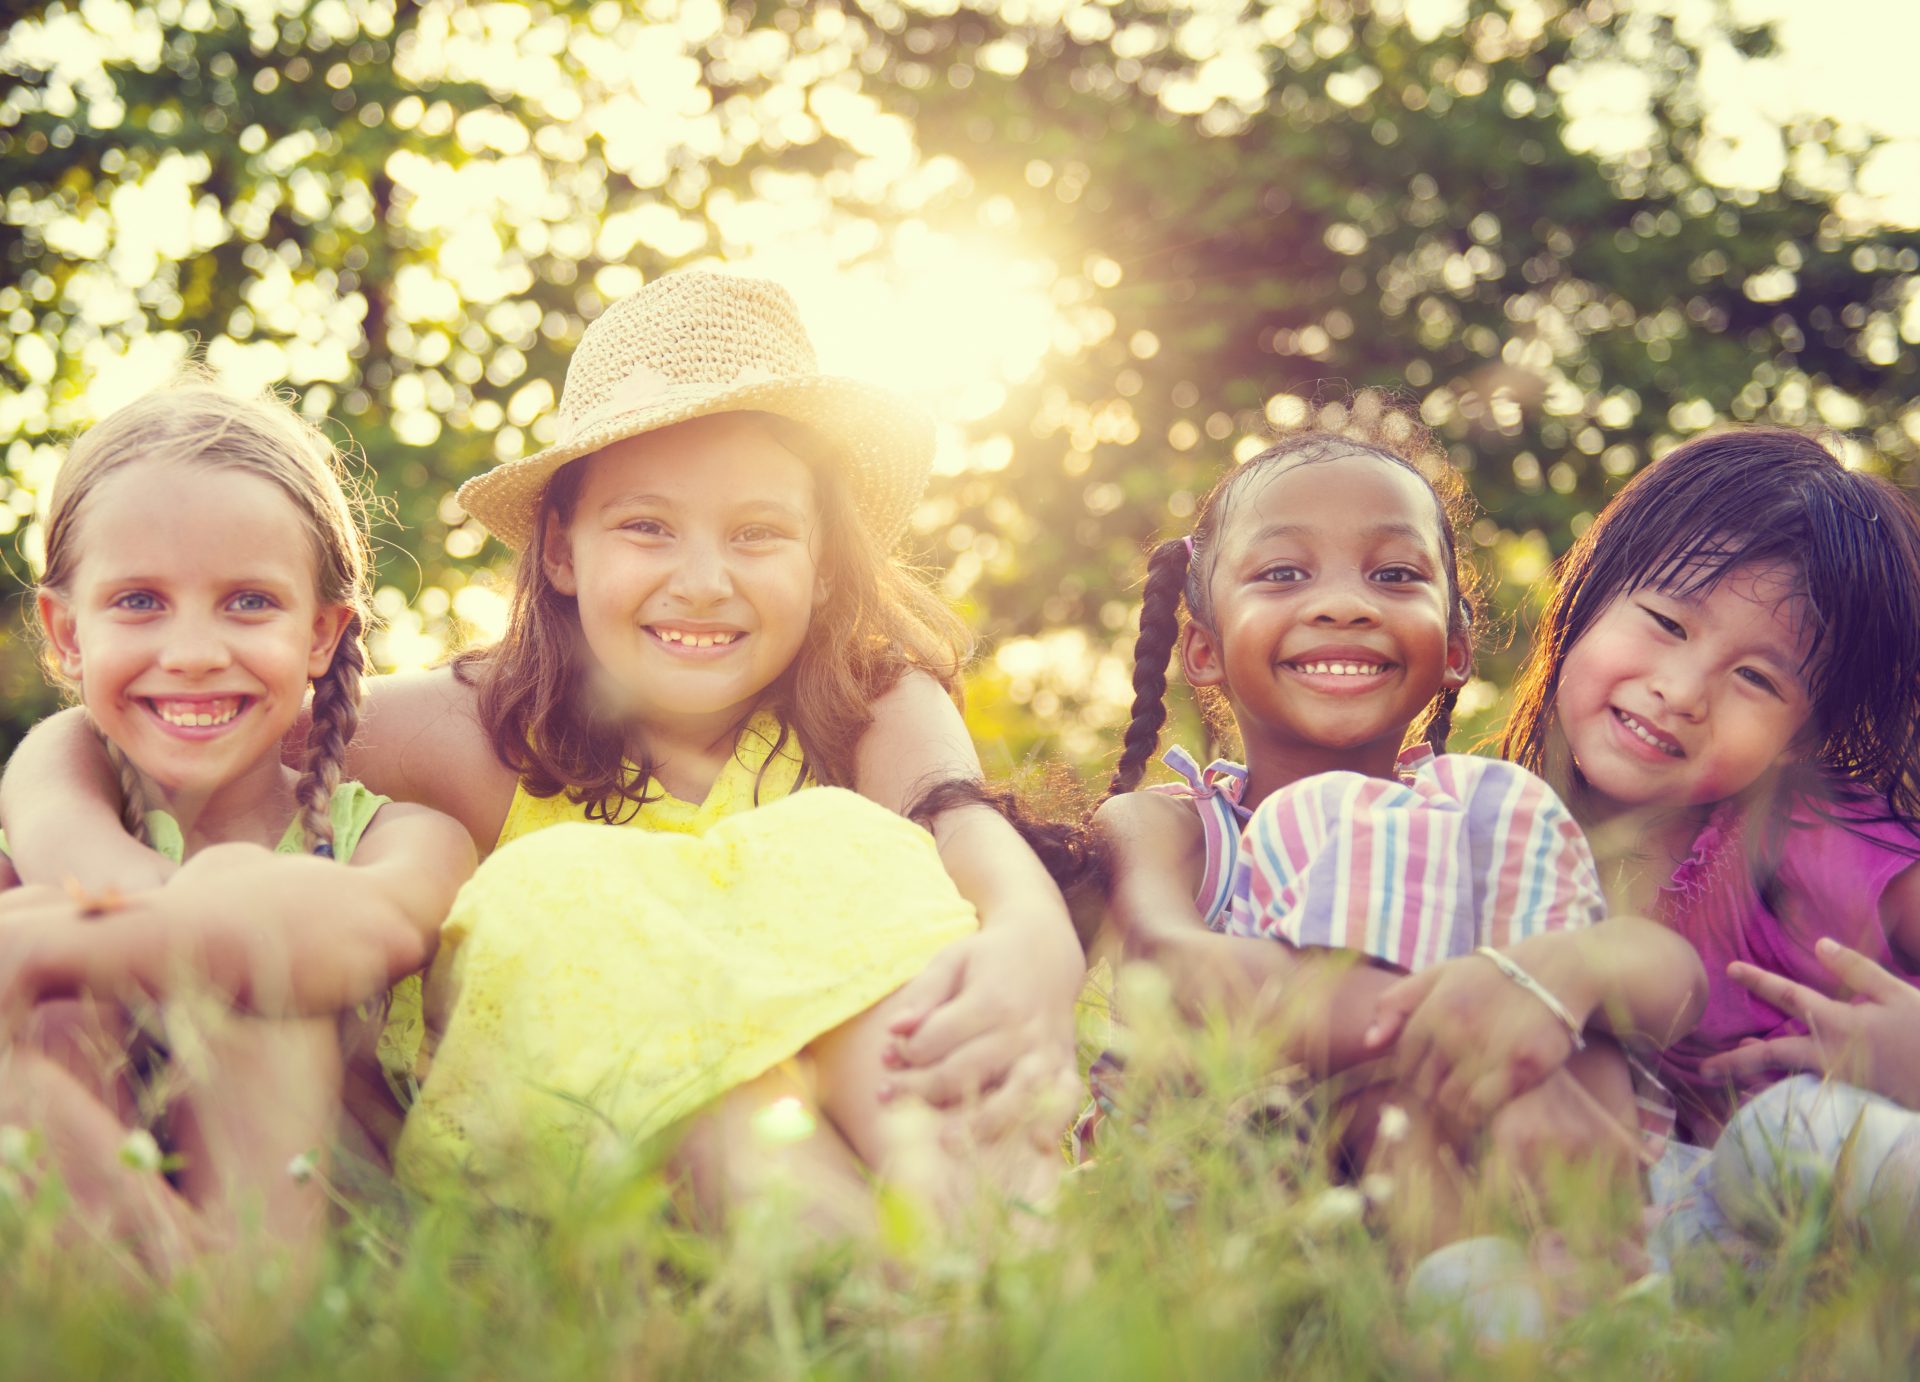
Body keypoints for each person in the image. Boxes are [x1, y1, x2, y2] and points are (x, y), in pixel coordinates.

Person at [0, 272, 1083, 1228]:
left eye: (758, 532)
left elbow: (962, 826)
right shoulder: (465, 730)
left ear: (822, 556)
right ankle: (894, 1296)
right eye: (648, 526)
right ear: (560, 548)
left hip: (888, 1101)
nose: (703, 578)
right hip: (668, 1150)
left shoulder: (869, 701)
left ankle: (995, 1267)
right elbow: (191, 712)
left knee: (857, 852)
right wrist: (59, 805)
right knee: (565, 895)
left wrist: (1039, 936)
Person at [1083, 397, 1703, 1321]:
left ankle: (1560, 1288)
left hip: (1473, 1179)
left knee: (1570, 1001)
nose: (1343, 602)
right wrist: (1470, 1028)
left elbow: (1671, 981)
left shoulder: (1484, 814)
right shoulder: (1174, 825)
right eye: (1285, 572)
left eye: (1395, 574)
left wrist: (1553, 980)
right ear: (1204, 652)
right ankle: (1491, 1299)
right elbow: (1177, 968)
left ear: (1454, 651)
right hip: (1227, 1225)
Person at [0, 377, 474, 1282]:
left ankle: (232, 1325)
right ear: (65, 633)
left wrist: (57, 945)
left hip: (323, 1251)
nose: (192, 652)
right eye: (138, 600)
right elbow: (71, 852)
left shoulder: (400, 837)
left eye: (249, 602)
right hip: (86, 1205)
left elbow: (365, 927)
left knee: (266, 940)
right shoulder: (61, 784)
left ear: (322, 635)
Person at [1496, 427, 1920, 1260]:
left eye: (1757, 678)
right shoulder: (1488, 831)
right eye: (1665, 622)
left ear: (1803, 736)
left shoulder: (1821, 841)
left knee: (1788, 1126)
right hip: (1695, 1238)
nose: (1682, 692)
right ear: (1584, 596)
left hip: (1849, 1170)